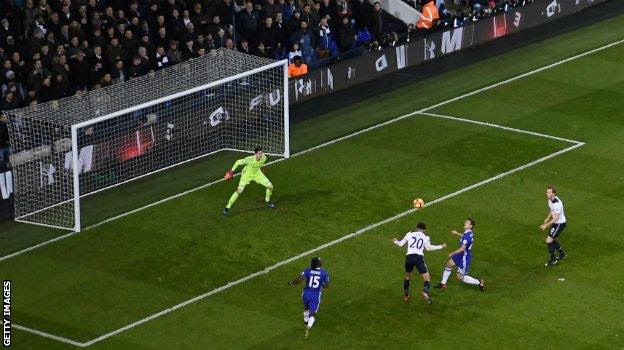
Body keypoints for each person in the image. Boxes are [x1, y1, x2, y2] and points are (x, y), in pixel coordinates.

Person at [393, 222, 446, 303]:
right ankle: (425, 292)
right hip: (418, 258)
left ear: (416, 228)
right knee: (427, 279)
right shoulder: (425, 237)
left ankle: (406, 296)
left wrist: (396, 241)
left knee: (407, 277)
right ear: (424, 230)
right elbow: (428, 248)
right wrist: (441, 246)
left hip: (409, 258)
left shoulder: (410, 233)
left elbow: (400, 244)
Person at [435, 218, 485, 291]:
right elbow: (463, 236)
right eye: (466, 222)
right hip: (461, 254)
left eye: (467, 223)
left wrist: (452, 253)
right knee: (448, 264)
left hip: (464, 257)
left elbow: (462, 248)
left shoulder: (467, 236)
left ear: (470, 226)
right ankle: (443, 284)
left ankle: (479, 282)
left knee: (460, 277)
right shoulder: (468, 232)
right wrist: (457, 233)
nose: (465, 223)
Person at [222, 146, 275, 215]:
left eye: (261, 153)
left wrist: (262, 167)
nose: (261, 155)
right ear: (255, 154)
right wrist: (231, 171)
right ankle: (227, 207)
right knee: (239, 191)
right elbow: (238, 162)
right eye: (259, 153)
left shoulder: (264, 157)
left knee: (270, 186)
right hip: (246, 175)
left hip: (257, 173)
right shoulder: (249, 159)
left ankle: (267, 200)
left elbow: (261, 163)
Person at [288, 257, 330, 339]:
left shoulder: (308, 270)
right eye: (320, 261)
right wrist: (321, 285)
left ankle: (305, 322)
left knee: (306, 308)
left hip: (306, 294)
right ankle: (308, 327)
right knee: (313, 314)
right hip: (315, 295)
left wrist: (291, 282)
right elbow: (326, 286)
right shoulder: (324, 273)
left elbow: (299, 280)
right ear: (318, 264)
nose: (322, 262)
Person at [540, 186, 567, 267]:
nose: (547, 194)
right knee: (552, 238)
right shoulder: (550, 200)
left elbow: (556, 218)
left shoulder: (557, 203)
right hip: (556, 223)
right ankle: (562, 254)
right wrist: (547, 219)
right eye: (547, 192)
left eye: (549, 192)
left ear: (553, 193)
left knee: (549, 240)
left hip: (560, 223)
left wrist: (546, 225)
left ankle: (553, 259)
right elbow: (552, 210)